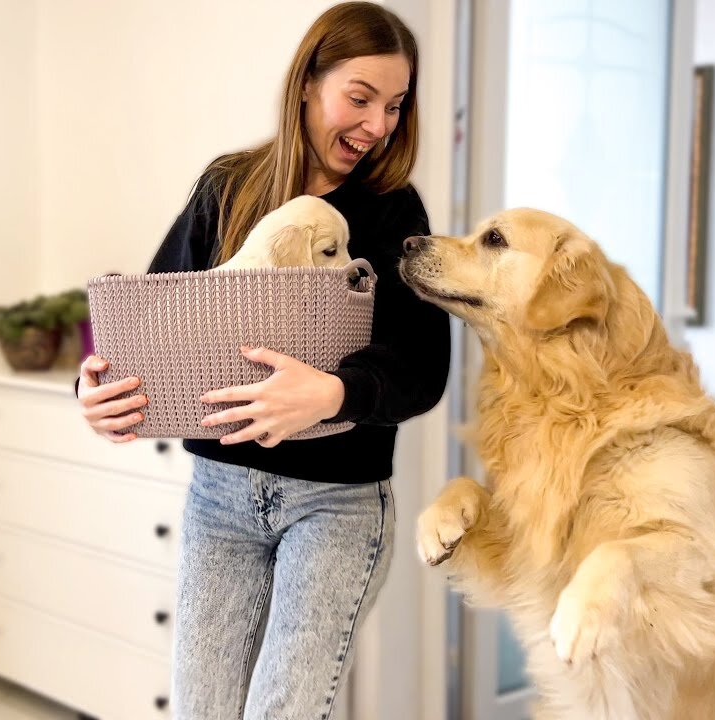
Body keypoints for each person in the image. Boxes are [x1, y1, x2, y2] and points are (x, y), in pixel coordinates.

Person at [76, 3, 449, 717]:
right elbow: (147, 320)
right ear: (308, 83)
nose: (378, 126)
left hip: (336, 508)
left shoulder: (395, 212)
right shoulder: (228, 187)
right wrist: (92, 383)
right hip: (219, 498)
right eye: (360, 98)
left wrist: (334, 395)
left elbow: (423, 367)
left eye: (396, 106)